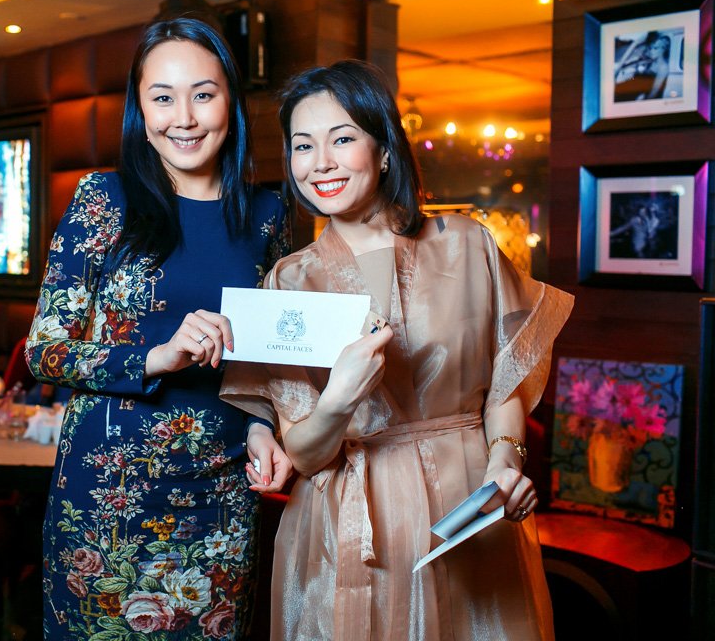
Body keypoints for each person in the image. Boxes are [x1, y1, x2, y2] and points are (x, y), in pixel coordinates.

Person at [220, 60, 574, 640]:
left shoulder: (468, 245)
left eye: (342, 139)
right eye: (303, 145)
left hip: (466, 503)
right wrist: (338, 400)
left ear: (383, 149)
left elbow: (505, 379)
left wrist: (505, 462)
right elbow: (303, 453)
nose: (320, 162)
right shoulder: (289, 282)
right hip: (345, 525)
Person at [25, 17, 293, 640]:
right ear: (140, 109)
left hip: (222, 497)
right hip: (108, 496)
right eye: (163, 97)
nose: (185, 118)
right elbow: (45, 351)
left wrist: (263, 426)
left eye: (204, 94)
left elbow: (268, 352)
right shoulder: (103, 199)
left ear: (230, 101)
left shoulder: (267, 213)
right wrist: (154, 357)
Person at [614, 32, 671, 102]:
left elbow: (654, 92)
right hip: (635, 89)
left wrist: (643, 100)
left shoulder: (663, 67)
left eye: (655, 48)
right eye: (651, 48)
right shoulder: (651, 61)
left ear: (663, 50)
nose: (651, 51)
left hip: (642, 96)